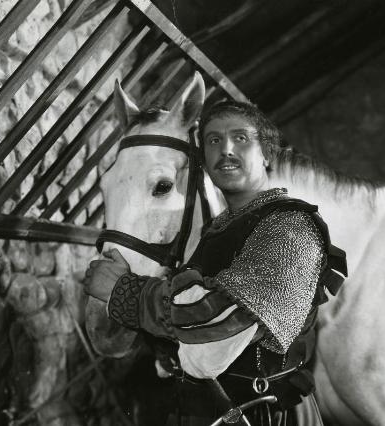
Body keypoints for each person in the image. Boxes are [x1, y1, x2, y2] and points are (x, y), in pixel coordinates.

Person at [83, 101, 345, 426]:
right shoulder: (214, 233)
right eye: (213, 140)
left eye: (240, 138)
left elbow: (220, 325)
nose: (226, 150)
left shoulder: (290, 228)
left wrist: (124, 291)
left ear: (266, 153)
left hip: (264, 415)